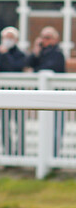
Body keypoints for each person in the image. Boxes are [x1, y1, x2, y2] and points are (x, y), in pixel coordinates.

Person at [0, 27, 27, 156]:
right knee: (5, 127)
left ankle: (20, 153)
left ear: (16, 39)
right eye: (5, 37)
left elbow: (15, 67)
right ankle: (7, 153)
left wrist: (4, 54)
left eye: (10, 38)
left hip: (18, 95)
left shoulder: (20, 53)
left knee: (19, 126)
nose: (7, 40)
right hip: (2, 94)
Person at [27, 26, 67, 156]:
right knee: (46, 127)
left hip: (58, 97)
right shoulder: (41, 52)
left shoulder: (58, 53)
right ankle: (46, 155)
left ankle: (54, 155)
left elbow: (50, 68)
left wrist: (34, 70)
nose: (44, 40)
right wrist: (35, 51)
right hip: (45, 98)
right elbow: (26, 63)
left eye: (47, 37)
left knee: (56, 128)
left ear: (55, 39)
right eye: (42, 37)